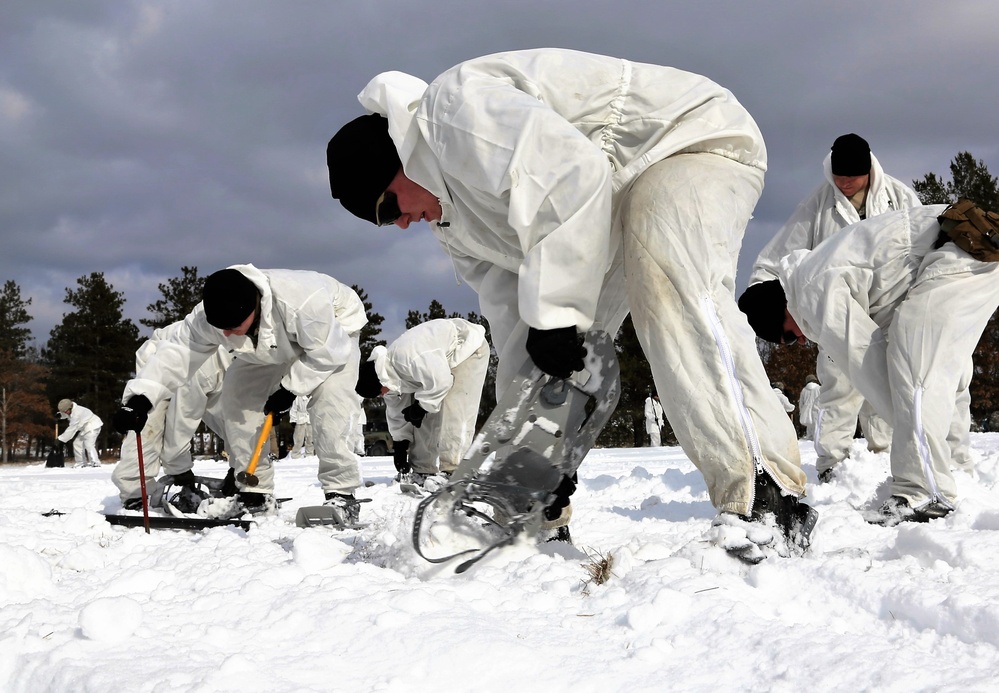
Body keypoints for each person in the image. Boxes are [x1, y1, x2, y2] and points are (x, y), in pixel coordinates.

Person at [327, 48, 814, 557]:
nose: (400, 223)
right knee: (558, 359)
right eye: (384, 222)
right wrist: (543, 456)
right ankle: (542, 516)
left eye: (388, 207)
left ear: (398, 161)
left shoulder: (455, 110)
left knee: (668, 281)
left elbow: (571, 174)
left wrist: (557, 315)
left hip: (687, 142)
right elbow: (515, 318)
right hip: (600, 210)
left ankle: (767, 495)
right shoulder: (455, 226)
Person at [738, 201, 999, 525]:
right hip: (973, 245)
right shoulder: (815, 272)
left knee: (915, 371)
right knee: (945, 372)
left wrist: (908, 420)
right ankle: (957, 474)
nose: (800, 341)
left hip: (960, 249)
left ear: (782, 311)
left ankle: (924, 493)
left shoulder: (811, 293)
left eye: (789, 335)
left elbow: (867, 361)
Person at [112, 265, 369, 522]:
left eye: (232, 326)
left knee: (330, 404)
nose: (225, 334)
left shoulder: (303, 302)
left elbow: (329, 354)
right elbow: (177, 352)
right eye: (220, 328)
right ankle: (255, 493)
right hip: (267, 343)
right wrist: (141, 398)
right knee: (237, 398)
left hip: (334, 332)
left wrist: (290, 389)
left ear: (254, 307)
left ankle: (341, 494)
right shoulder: (212, 317)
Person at [749, 134, 921, 481]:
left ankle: (883, 454)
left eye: (852, 177)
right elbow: (775, 255)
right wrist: (760, 291)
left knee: (889, 386)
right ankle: (831, 464)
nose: (844, 183)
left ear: (868, 171)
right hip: (837, 313)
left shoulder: (899, 197)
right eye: (839, 176)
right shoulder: (818, 205)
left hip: (888, 309)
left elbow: (918, 244)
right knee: (838, 390)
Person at [355, 318, 489, 489]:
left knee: (456, 409)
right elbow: (397, 411)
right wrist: (400, 445)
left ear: (379, 383)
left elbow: (441, 382)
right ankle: (423, 469)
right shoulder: (389, 378)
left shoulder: (408, 358)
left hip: (468, 348)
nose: (382, 396)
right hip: (440, 364)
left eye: (379, 393)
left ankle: (455, 471)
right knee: (424, 415)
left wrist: (420, 407)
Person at [112, 321, 232, 510]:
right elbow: (181, 421)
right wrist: (179, 468)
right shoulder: (207, 369)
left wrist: (241, 468)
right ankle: (135, 493)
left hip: (204, 364)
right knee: (148, 425)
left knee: (237, 421)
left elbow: (240, 424)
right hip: (161, 360)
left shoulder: (254, 366)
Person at [57, 399, 103, 468]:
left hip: (92, 426)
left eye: (65, 411)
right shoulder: (72, 411)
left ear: (70, 407)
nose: (66, 413)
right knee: (77, 444)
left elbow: (72, 429)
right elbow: (69, 414)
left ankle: (95, 462)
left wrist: (61, 439)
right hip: (85, 428)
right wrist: (60, 416)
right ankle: (81, 463)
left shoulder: (77, 413)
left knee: (89, 444)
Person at [798, 375, 821, 441]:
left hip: (806, 411)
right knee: (817, 427)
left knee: (809, 427)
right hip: (817, 410)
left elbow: (801, 403)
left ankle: (809, 440)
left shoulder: (804, 390)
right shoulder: (819, 388)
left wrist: (801, 411)